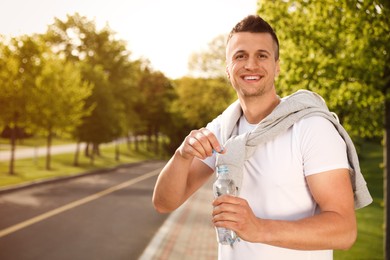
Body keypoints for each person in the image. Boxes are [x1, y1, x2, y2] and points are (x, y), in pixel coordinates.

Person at [153, 15, 371, 259]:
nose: (251, 65)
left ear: (277, 66)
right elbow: (164, 203)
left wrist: (258, 228)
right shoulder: (222, 129)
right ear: (228, 69)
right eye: (240, 56)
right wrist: (182, 155)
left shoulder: (311, 127)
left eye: (262, 55)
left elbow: (344, 230)